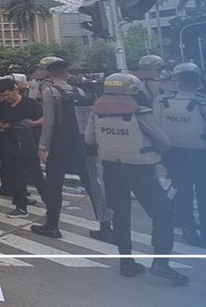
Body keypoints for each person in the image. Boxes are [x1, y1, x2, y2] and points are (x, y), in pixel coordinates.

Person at [85, 73, 188, 285]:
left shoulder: (95, 112)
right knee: (163, 212)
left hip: (111, 169)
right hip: (141, 170)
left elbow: (89, 139)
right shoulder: (140, 112)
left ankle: (126, 262)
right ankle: (161, 262)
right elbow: (163, 141)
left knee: (120, 216)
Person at [155, 62, 206, 245]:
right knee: (205, 196)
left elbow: (157, 127)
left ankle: (189, 231)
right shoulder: (203, 104)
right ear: (198, 82)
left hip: (174, 154)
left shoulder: (162, 102)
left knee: (183, 194)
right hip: (202, 156)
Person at [32, 58, 97, 239]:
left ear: (49, 73)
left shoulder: (50, 91)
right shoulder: (79, 91)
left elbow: (49, 121)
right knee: (92, 184)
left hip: (59, 144)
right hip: (80, 144)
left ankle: (52, 225)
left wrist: (43, 146)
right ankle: (106, 224)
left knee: (54, 184)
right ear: (66, 73)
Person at [0, 78, 48, 217]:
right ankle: (20, 206)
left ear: (15, 90)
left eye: (7, 95)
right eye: (2, 96)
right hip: (10, 144)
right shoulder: (3, 105)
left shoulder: (30, 104)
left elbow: (45, 118)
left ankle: (51, 203)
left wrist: (33, 123)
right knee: (16, 176)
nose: (5, 98)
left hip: (28, 144)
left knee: (36, 175)